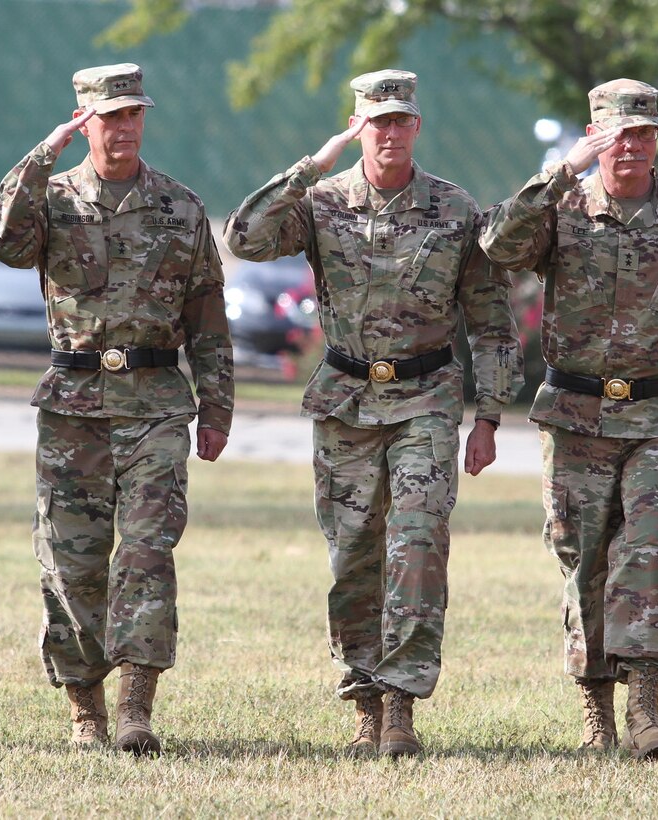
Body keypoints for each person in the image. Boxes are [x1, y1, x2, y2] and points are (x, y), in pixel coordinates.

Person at [223, 69, 523, 758]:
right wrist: (312, 164)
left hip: (426, 399)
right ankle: (363, 697)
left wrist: (489, 417)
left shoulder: (453, 209)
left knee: (416, 546)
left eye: (400, 121)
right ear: (357, 126)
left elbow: (490, 320)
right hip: (346, 402)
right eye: (375, 122)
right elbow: (244, 236)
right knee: (354, 553)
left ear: (417, 126)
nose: (389, 133)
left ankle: (401, 708)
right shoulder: (320, 202)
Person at [480, 79, 658, 759]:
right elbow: (495, 244)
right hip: (574, 415)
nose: (631, 146)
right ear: (594, 137)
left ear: (655, 140)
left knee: (651, 553)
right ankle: (594, 713)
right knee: (582, 561)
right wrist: (560, 172)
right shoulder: (561, 209)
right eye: (616, 135)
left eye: (642, 134)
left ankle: (644, 710)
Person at [0, 63, 234, 756]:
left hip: (155, 405)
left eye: (132, 114)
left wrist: (217, 408)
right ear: (82, 120)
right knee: (71, 561)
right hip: (72, 408)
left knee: (147, 555)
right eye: (108, 116)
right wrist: (39, 158)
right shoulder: (52, 200)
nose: (122, 128)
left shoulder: (179, 208)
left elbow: (206, 316)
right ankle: (83, 708)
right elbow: (0, 240)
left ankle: (135, 710)